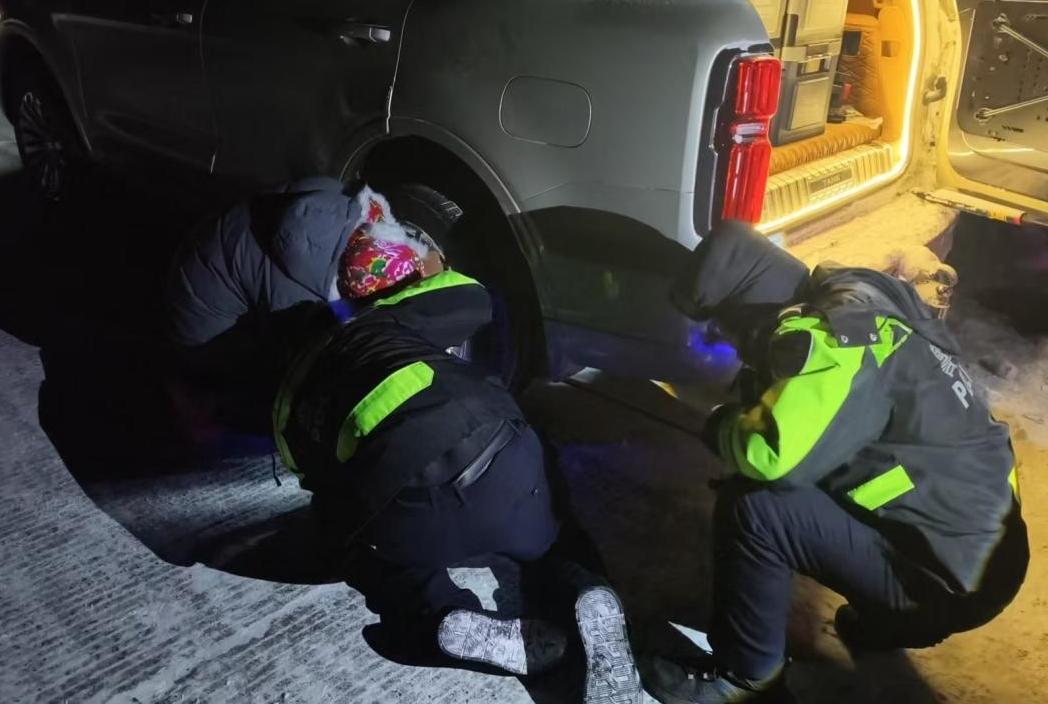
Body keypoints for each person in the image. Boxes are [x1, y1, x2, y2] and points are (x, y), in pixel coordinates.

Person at [642, 222, 1029, 703]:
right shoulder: (871, 305)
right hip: (992, 557)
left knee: (755, 509)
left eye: (726, 332)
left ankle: (745, 679)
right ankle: (891, 621)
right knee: (830, 474)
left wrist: (722, 423)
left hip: (950, 581)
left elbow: (772, 457)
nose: (730, 346)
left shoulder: (830, 341)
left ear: (750, 313)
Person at [273, 227, 643, 703]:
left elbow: (314, 484)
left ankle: (438, 614)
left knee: (363, 551)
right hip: (500, 458)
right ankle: (585, 589)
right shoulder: (393, 317)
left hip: (407, 509)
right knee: (554, 533)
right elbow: (471, 296)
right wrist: (427, 265)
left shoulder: (296, 384)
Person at [164, 177, 425, 438]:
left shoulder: (340, 205)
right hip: (198, 320)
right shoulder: (294, 296)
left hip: (213, 242)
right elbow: (298, 358)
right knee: (273, 394)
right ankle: (198, 400)